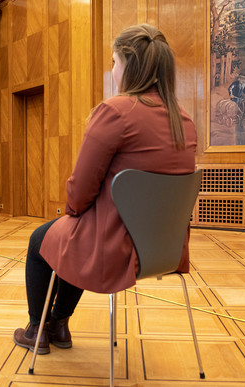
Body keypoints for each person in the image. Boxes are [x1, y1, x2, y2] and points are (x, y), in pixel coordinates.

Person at [13, 24, 197, 354]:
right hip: (165, 250)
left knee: (43, 240)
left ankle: (39, 329)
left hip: (114, 248)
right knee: (69, 236)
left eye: (114, 62)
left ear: (128, 65)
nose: (112, 71)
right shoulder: (184, 120)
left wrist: (73, 214)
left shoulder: (115, 111)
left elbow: (80, 191)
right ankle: (59, 323)